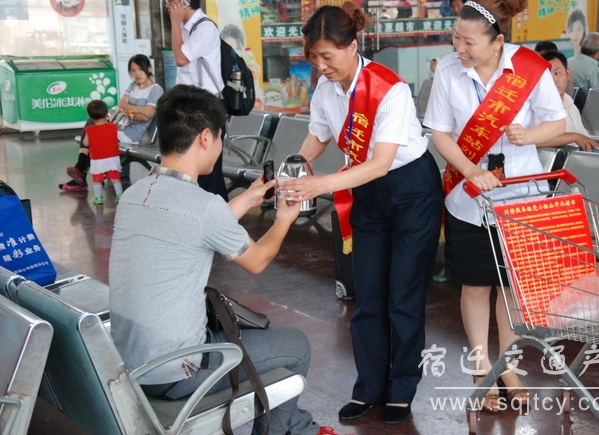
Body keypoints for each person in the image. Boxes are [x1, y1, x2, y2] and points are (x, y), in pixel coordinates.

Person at [109, 84, 344, 435]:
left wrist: (248, 199)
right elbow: (258, 260)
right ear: (206, 137)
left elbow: (195, 225)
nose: (220, 145)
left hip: (133, 362)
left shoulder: (135, 194)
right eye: (221, 136)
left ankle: (296, 426)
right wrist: (283, 220)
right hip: (179, 371)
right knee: (295, 345)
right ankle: (290, 431)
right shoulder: (204, 207)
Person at [282, 2, 443, 425]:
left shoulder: (390, 88)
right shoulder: (324, 89)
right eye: (313, 57)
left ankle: (402, 388)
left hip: (410, 189)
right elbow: (318, 136)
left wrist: (318, 185)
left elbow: (381, 162)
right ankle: (369, 387)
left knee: (403, 298)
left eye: (327, 56)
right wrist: (296, 162)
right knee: (367, 296)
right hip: (367, 193)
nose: (321, 66)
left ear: (353, 46)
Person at [423, 0, 565, 412]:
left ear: (497, 41)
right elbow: (439, 131)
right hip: (469, 199)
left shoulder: (529, 68)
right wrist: (469, 170)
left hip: (521, 196)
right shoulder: (449, 70)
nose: (458, 48)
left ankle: (508, 366)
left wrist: (529, 134)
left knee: (509, 288)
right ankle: (482, 366)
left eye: (467, 41)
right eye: (454, 38)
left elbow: (556, 121)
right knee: (476, 283)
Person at [59, 54, 163, 192]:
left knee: (96, 134)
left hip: (132, 134)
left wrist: (128, 110)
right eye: (133, 70)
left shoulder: (156, 90)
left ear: (148, 68)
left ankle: (81, 171)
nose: (137, 74)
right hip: (119, 126)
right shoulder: (133, 86)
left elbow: (145, 118)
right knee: (92, 122)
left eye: (140, 69)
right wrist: (140, 109)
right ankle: (81, 170)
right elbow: (121, 105)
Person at [167, 0, 229, 202]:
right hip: (191, 104)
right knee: (197, 169)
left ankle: (216, 219)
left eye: (171, 1)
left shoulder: (204, 27)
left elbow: (180, 58)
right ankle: (220, 217)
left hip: (206, 107)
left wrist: (175, 23)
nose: (167, 5)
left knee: (208, 172)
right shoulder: (186, 28)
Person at [536, 50, 599, 152]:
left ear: (568, 73)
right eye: (546, 76)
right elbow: (534, 140)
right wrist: (575, 137)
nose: (553, 81)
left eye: (557, 73)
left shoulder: (569, 103)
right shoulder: (537, 107)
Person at [83, 100, 124, 205]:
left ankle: (98, 197)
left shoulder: (89, 129)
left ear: (90, 116)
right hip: (112, 157)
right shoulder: (113, 127)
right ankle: (120, 195)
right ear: (107, 113)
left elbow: (86, 143)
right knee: (114, 177)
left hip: (97, 158)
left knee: (97, 178)